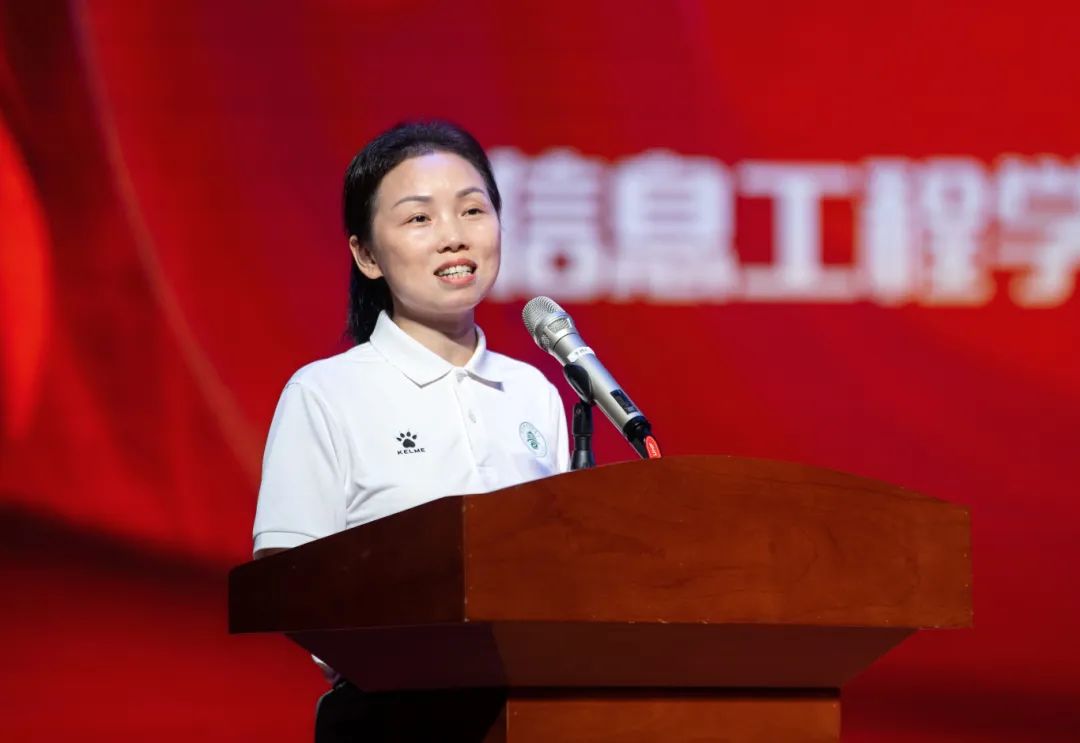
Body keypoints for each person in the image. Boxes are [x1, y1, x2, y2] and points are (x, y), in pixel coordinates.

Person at [250, 120, 569, 741]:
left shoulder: (534, 391)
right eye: (419, 218)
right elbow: (287, 573)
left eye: (472, 210)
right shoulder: (326, 392)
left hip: (532, 716)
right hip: (390, 716)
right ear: (367, 255)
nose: (453, 236)